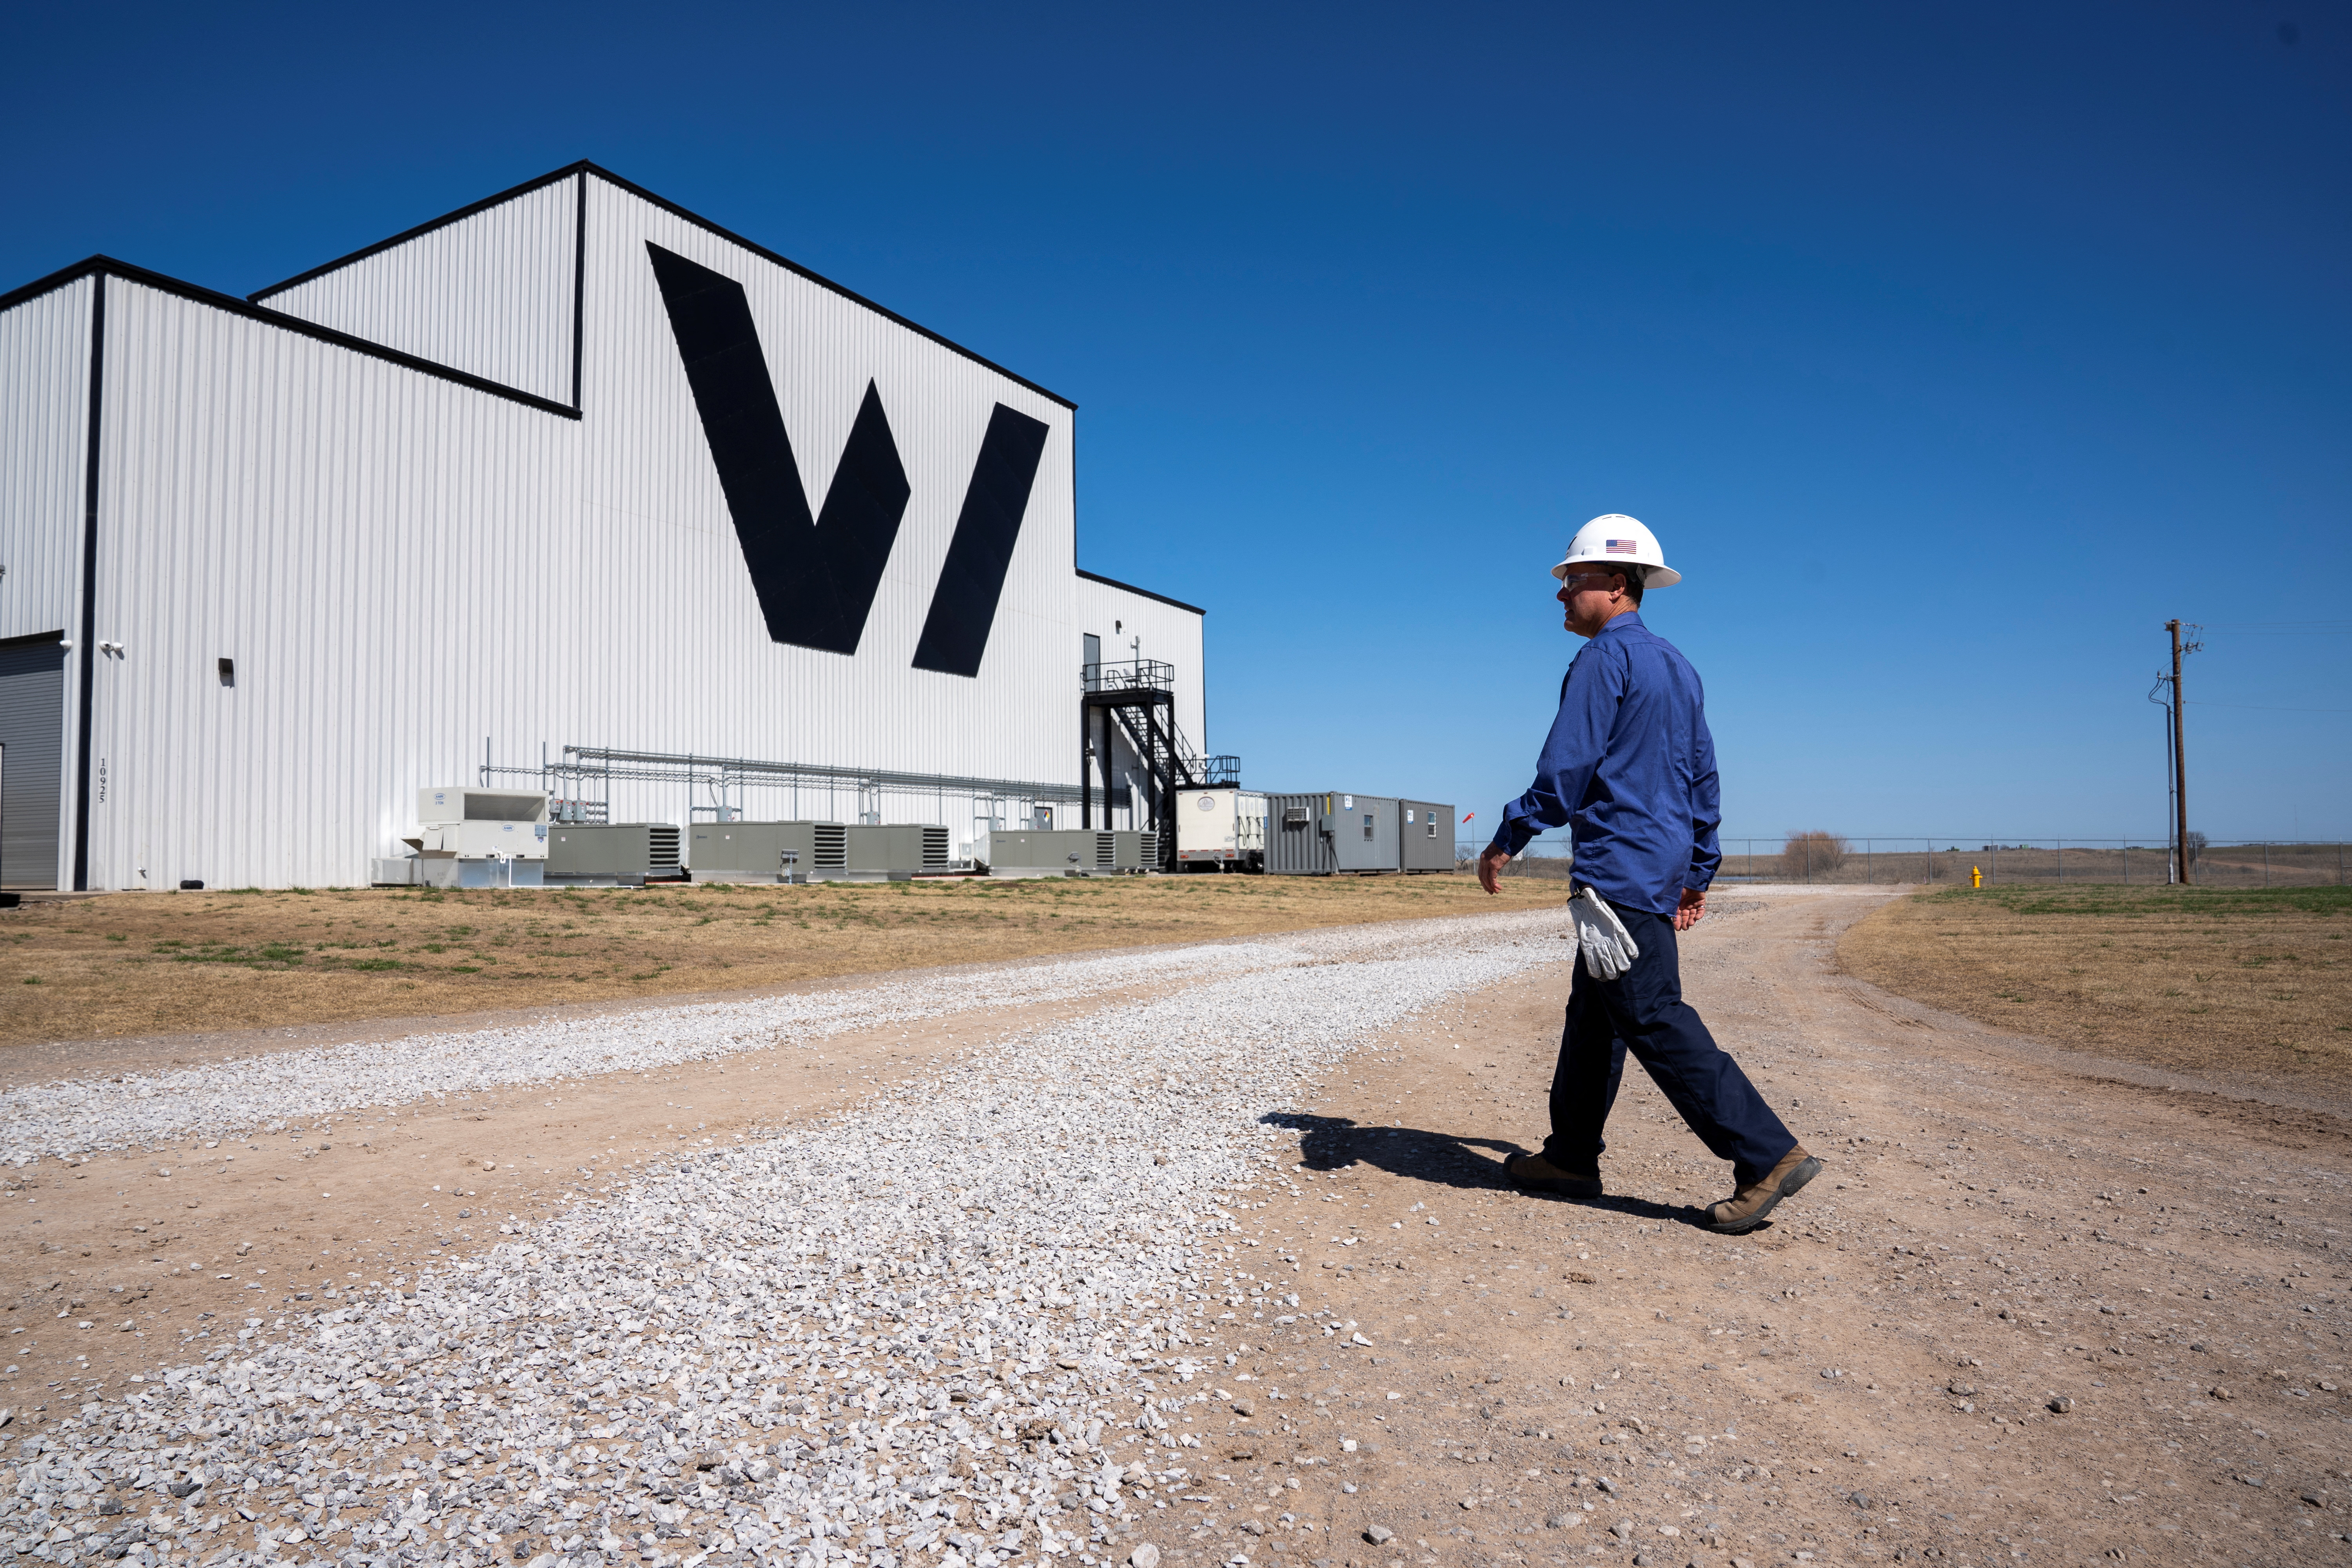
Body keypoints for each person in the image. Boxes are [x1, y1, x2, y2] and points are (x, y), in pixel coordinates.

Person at [1477, 514, 1818, 1234]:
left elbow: (1566, 769)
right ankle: (1571, 1158)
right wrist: (1698, 867)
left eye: (1572, 579)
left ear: (1615, 583)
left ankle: (1766, 1155)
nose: (1561, 594)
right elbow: (1702, 775)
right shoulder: (1677, 666)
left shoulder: (1603, 660)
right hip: (1655, 867)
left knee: (1652, 1013)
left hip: (1620, 872)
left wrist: (1510, 836)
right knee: (1594, 1017)